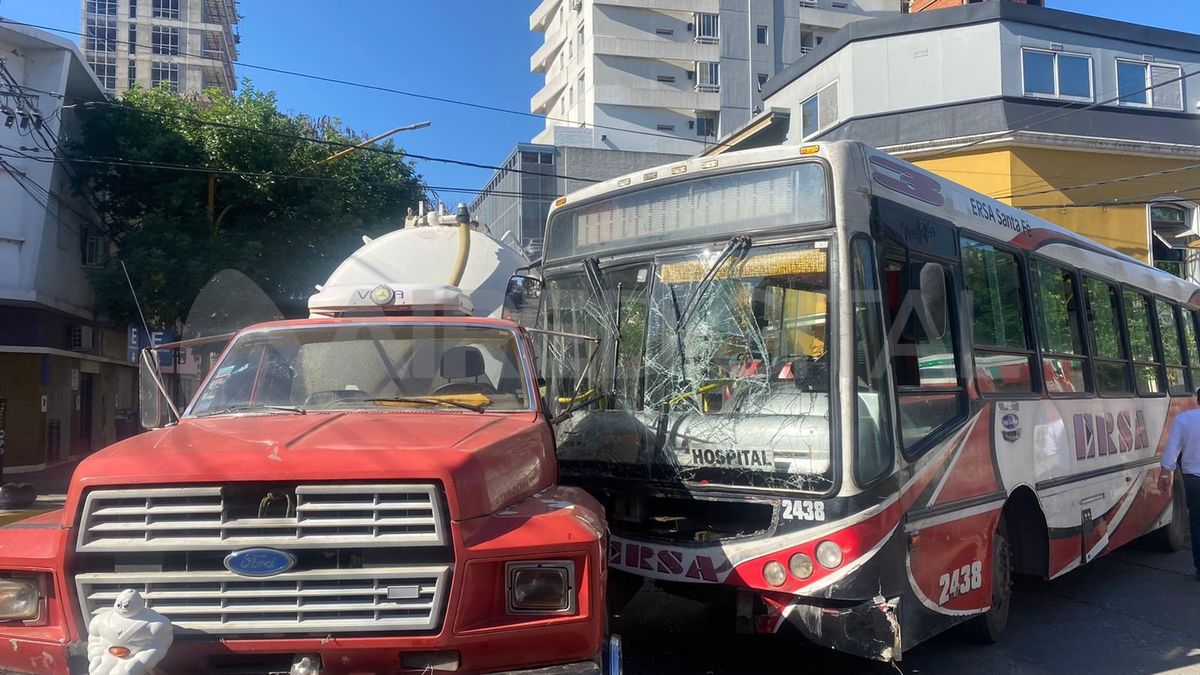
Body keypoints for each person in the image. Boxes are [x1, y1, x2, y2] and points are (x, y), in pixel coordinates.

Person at [1159, 388, 1200, 581]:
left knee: (1197, 522)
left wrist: (1165, 474)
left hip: (1193, 479)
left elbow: (1172, 448)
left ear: (1197, 400)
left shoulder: (1184, 420)